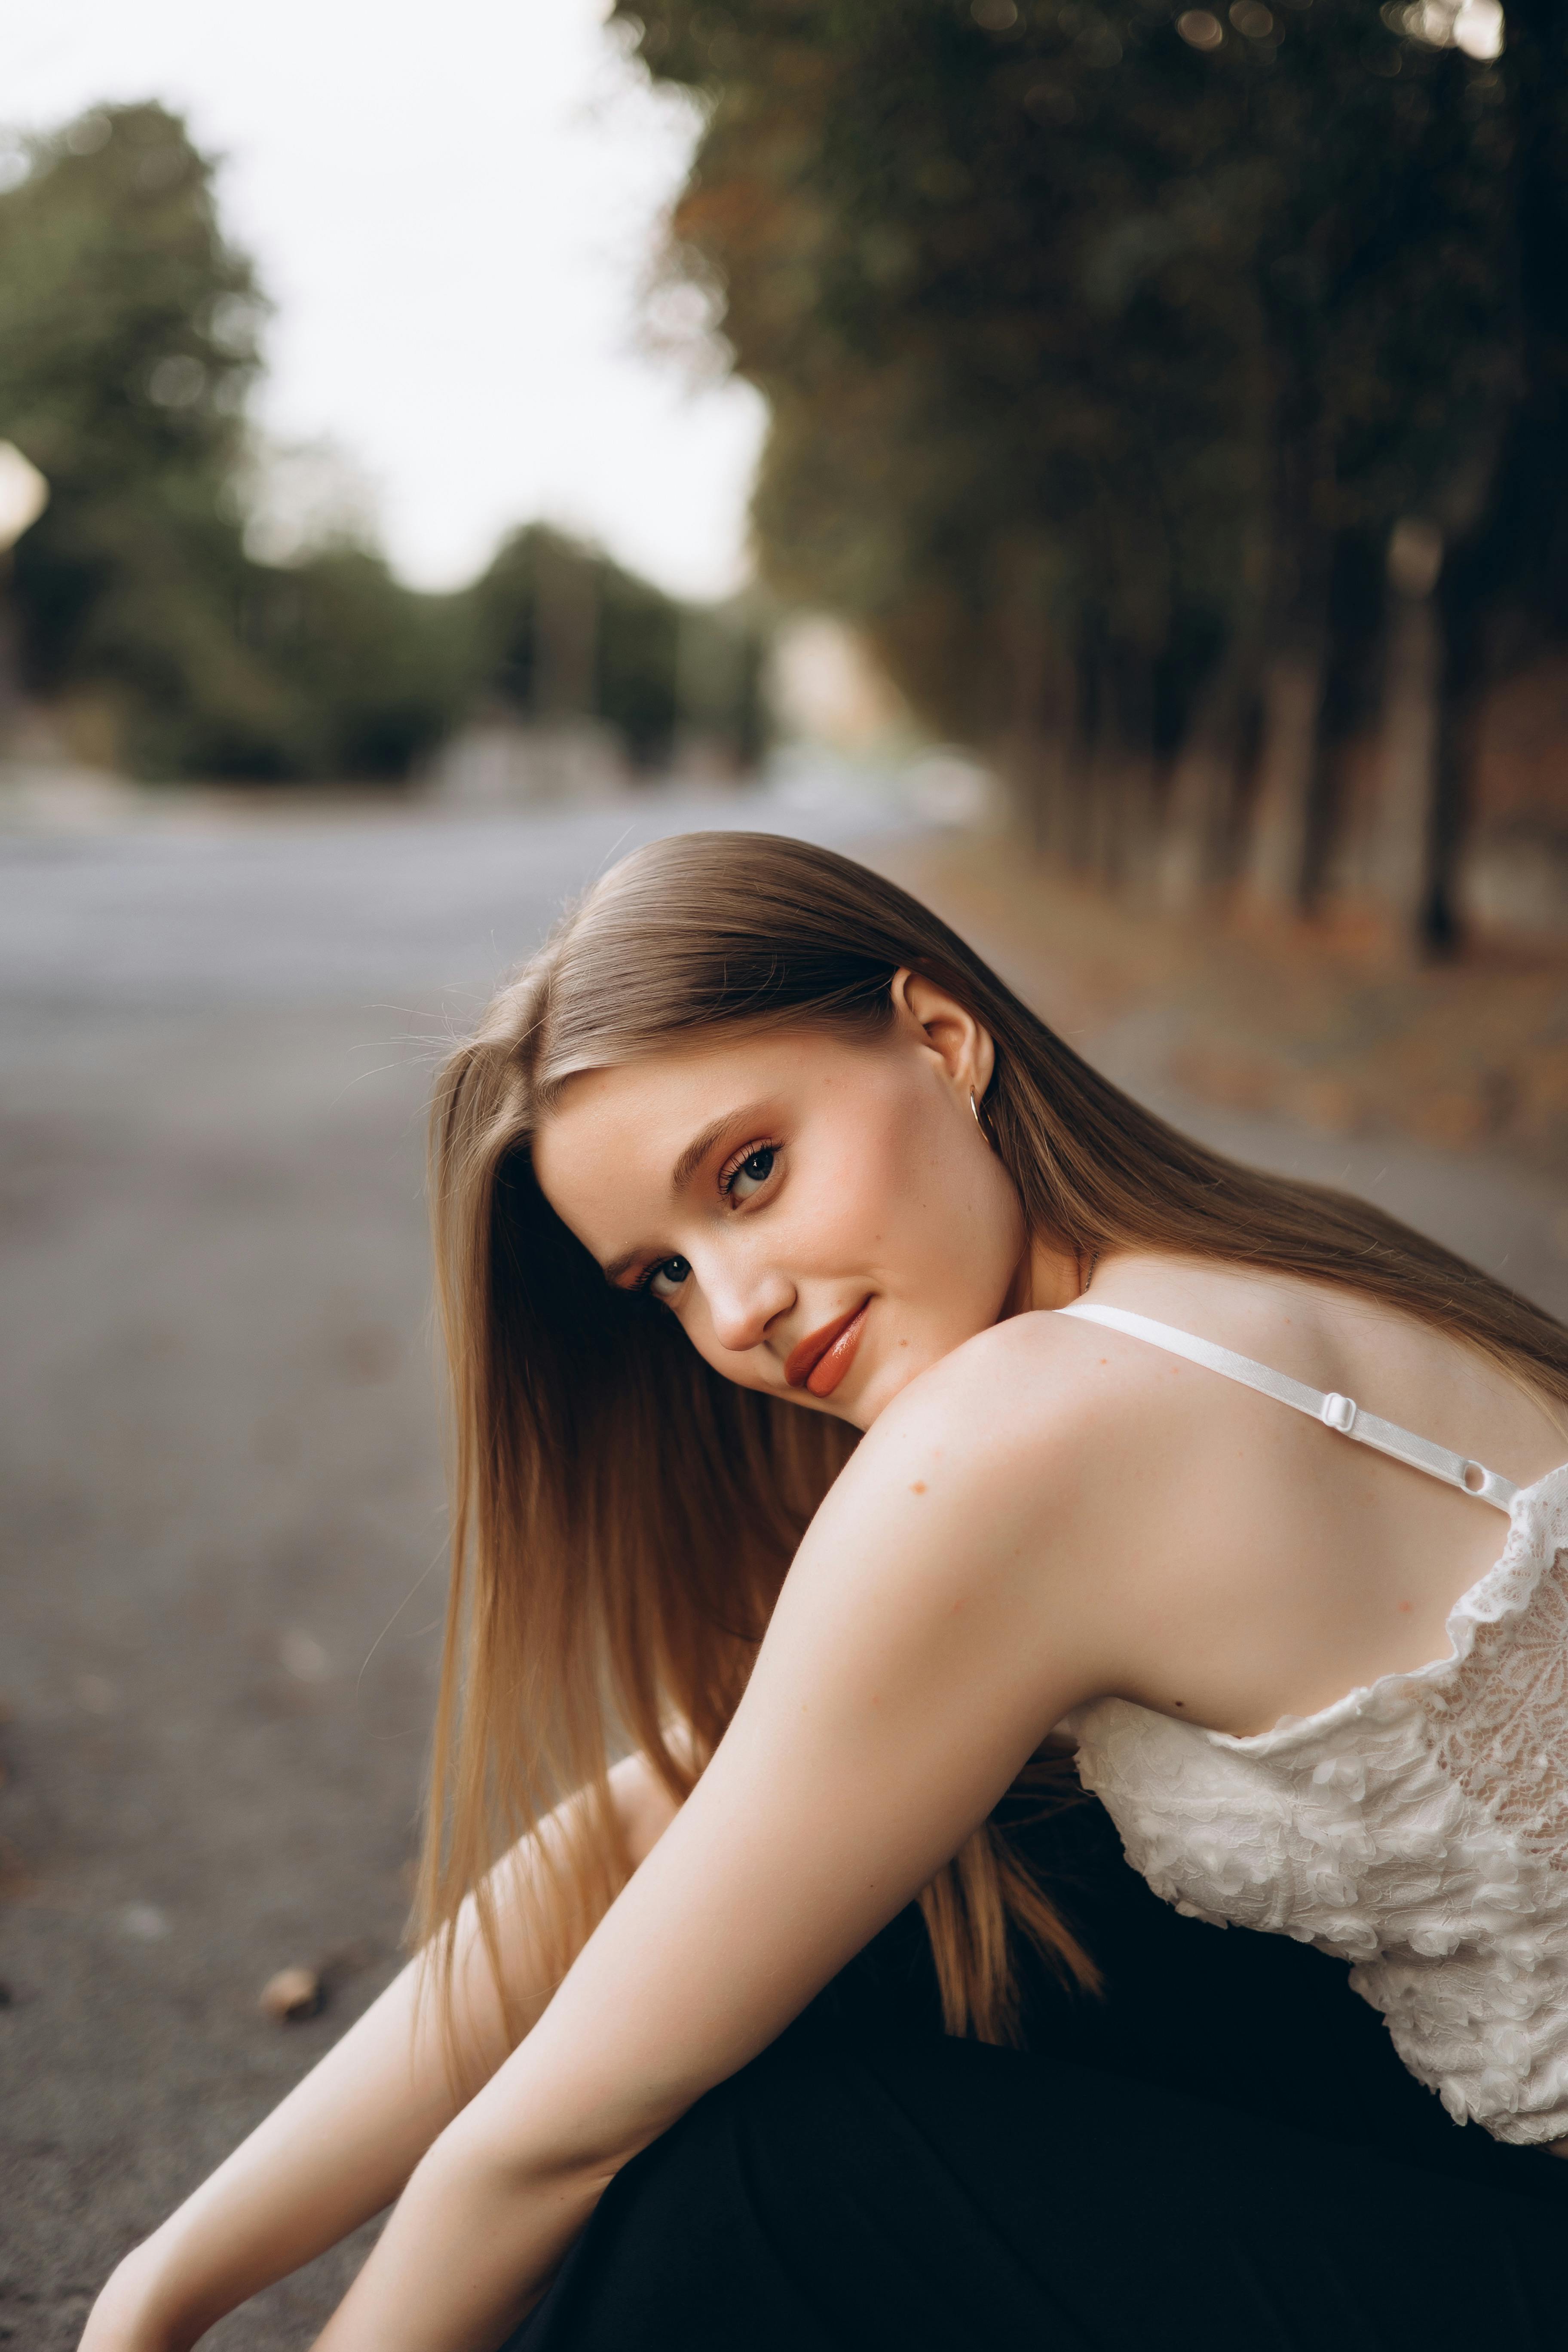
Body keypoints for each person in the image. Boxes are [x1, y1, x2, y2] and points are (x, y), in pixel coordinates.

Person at [82, 834, 1568, 2352]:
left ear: (941, 1038)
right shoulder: (1235, 1265)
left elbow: (545, 2144)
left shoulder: (1027, 1431)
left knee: (762, 2185)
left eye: (751, 1173)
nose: (736, 1312)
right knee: (914, 1910)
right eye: (660, 1275)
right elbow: (662, 1804)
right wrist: (165, 2281)